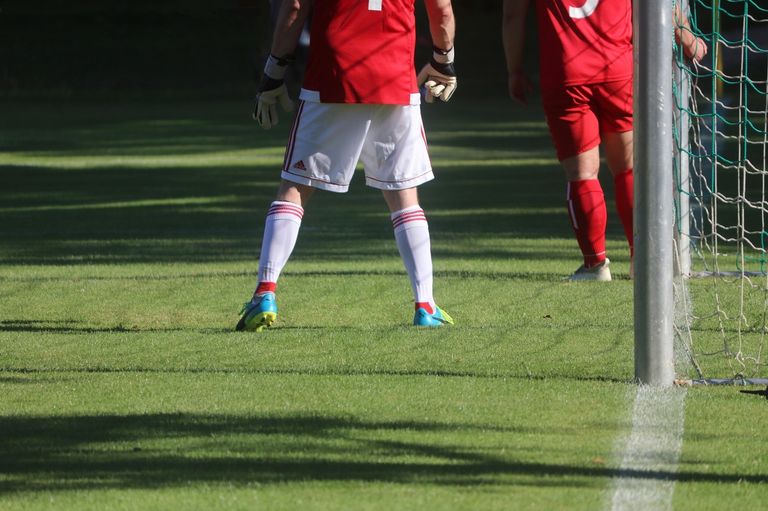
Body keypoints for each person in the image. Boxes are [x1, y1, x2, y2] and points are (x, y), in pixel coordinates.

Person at [237, 0, 458, 331]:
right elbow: (441, 9)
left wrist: (273, 73)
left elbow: (295, 7)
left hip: (334, 75)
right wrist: (444, 61)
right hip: (395, 78)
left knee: (296, 186)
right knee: (404, 194)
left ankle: (265, 293)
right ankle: (425, 304)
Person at [502, 0, 707, 281]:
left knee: (582, 173)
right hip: (617, 68)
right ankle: (642, 259)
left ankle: (595, 265)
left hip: (566, 72)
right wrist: (686, 36)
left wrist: (513, 70)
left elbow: (513, 13)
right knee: (628, 167)